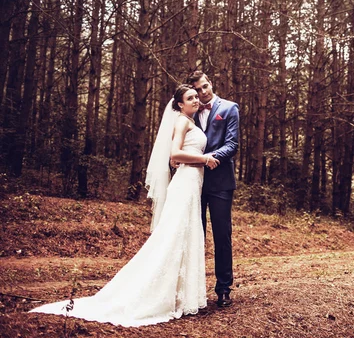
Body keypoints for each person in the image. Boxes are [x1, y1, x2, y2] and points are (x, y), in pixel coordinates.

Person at [29, 85, 219, 327]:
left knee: (185, 237)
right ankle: (157, 294)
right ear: (180, 104)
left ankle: (181, 297)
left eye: (195, 97)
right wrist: (204, 158)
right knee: (173, 237)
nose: (195, 100)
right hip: (185, 184)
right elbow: (174, 155)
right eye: (189, 98)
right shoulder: (182, 122)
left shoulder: (190, 121)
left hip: (193, 185)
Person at [186, 71, 239, 307]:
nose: (202, 92)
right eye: (197, 90)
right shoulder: (188, 112)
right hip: (193, 181)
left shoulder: (229, 109)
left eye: (205, 87)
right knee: (194, 235)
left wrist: (210, 157)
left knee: (222, 235)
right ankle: (191, 291)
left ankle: (224, 289)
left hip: (220, 182)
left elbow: (232, 144)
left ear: (211, 84)